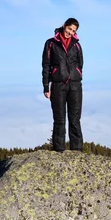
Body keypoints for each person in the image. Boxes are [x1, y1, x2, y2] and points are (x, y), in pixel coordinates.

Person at [42, 18, 84, 152]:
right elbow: (46, 65)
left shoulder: (76, 44)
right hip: (58, 85)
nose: (70, 33)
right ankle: (59, 150)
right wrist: (46, 86)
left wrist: (76, 74)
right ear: (64, 26)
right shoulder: (51, 43)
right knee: (59, 119)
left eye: (74, 31)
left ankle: (77, 150)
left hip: (75, 86)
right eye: (69, 29)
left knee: (75, 118)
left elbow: (80, 63)